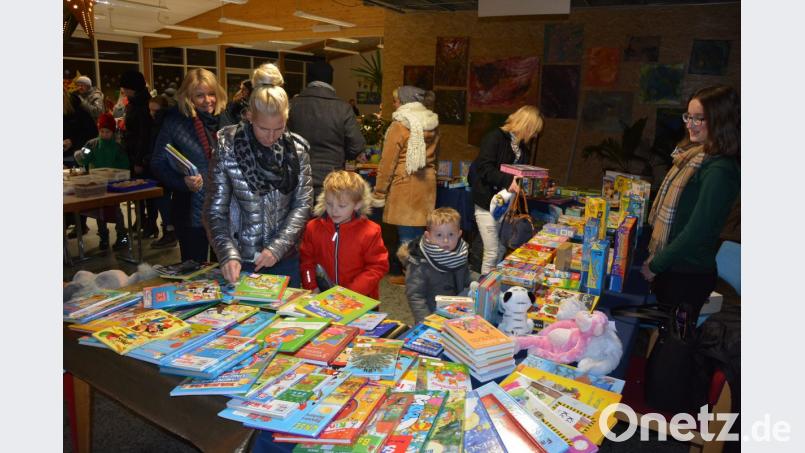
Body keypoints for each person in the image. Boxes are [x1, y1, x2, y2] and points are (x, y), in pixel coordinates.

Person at [641, 85, 740, 338]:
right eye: (688, 116)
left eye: (699, 118)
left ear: (720, 121)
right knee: (668, 340)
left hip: (688, 275)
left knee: (674, 351)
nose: (690, 125)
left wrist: (657, 264)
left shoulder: (719, 169)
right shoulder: (695, 156)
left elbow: (697, 231)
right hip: (676, 269)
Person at [203, 63, 312, 287]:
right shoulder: (228, 148)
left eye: (279, 128)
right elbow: (215, 210)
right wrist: (227, 254)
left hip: (285, 257)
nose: (271, 137)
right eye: (264, 128)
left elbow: (302, 204)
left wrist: (278, 247)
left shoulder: (297, 151)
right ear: (250, 116)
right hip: (241, 259)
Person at [152, 68, 227, 263]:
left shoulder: (227, 121)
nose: (208, 100)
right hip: (192, 212)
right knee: (195, 275)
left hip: (226, 212)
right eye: (199, 95)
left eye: (211, 94)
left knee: (227, 273)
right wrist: (182, 181)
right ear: (188, 97)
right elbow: (158, 163)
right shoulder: (175, 122)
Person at [371, 85, 439, 285]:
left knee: (407, 236)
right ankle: (421, 274)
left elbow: (387, 162)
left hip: (404, 185)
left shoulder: (399, 125)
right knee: (420, 233)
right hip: (427, 185)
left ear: (404, 102)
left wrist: (379, 191)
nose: (394, 104)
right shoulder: (433, 123)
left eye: (396, 100)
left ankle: (412, 277)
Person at [470, 105, 544, 274]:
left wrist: (537, 187)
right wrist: (508, 180)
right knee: (492, 251)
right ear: (526, 126)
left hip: (506, 205)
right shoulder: (494, 138)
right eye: (534, 130)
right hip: (486, 202)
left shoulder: (522, 147)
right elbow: (484, 169)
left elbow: (520, 176)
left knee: (502, 249)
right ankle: (484, 292)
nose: (535, 135)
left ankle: (494, 286)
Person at [299, 170, 389, 299]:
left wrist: (350, 294)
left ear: (357, 204)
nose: (334, 210)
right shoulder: (313, 227)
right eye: (329, 204)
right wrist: (310, 285)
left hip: (359, 299)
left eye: (342, 206)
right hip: (322, 297)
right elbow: (306, 261)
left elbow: (377, 267)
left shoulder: (371, 231)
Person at [288, 60, 365, 200]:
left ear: (308, 78)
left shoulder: (292, 106)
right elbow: (357, 145)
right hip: (332, 179)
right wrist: (344, 155)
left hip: (298, 177)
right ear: (331, 80)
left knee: (299, 221)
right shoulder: (343, 108)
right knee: (329, 220)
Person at [399, 207, 470, 323]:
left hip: (456, 312)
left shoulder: (459, 254)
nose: (446, 240)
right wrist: (426, 322)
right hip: (432, 316)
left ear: (459, 234)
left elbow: (466, 276)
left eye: (451, 234)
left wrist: (481, 279)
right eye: (439, 235)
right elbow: (415, 296)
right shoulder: (419, 261)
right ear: (428, 236)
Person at [74, 113, 130, 250]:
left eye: (108, 132)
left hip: (113, 184)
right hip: (96, 183)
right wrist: (80, 155)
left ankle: (122, 236)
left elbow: (124, 164)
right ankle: (103, 237)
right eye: (102, 131)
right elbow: (83, 158)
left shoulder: (118, 147)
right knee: (99, 212)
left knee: (116, 211)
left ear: (113, 132)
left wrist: (120, 176)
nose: (104, 134)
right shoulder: (91, 144)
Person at [120, 70, 158, 238]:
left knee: (146, 192)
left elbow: (144, 135)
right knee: (137, 192)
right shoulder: (134, 102)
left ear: (132, 87)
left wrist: (139, 161)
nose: (123, 90)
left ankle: (151, 225)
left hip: (141, 154)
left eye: (125, 87)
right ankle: (140, 220)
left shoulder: (143, 105)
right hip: (133, 151)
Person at [148, 95, 177, 249]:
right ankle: (168, 229)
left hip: (166, 169)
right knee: (162, 200)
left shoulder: (164, 123)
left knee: (164, 200)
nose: (152, 114)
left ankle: (170, 231)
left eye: (155, 111)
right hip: (160, 167)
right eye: (150, 110)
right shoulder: (157, 121)